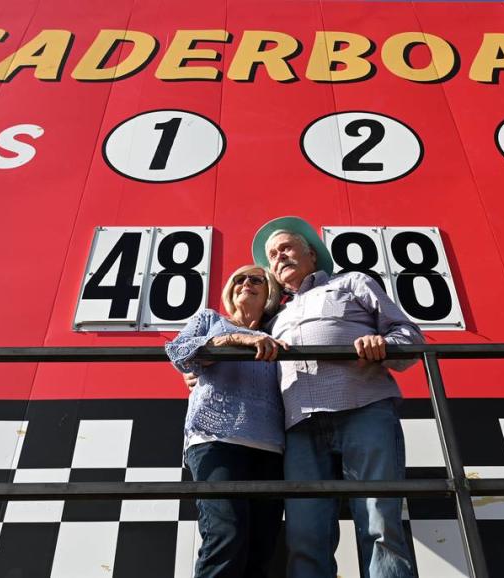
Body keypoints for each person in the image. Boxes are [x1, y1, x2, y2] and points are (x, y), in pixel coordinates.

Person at [251, 216, 424, 578]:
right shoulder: (273, 317)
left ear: (312, 254)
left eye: (285, 247)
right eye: (272, 254)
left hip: (364, 409)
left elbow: (410, 339)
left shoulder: (352, 283)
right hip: (299, 427)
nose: (279, 256)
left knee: (379, 521)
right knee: (304, 533)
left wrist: (384, 344)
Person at [165, 264, 289, 578]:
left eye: (256, 279)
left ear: (270, 293)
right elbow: (179, 352)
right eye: (239, 278)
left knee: (261, 546)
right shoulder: (211, 320)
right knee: (226, 535)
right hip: (215, 438)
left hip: (271, 447)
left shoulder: (280, 331)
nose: (246, 282)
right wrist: (233, 339)